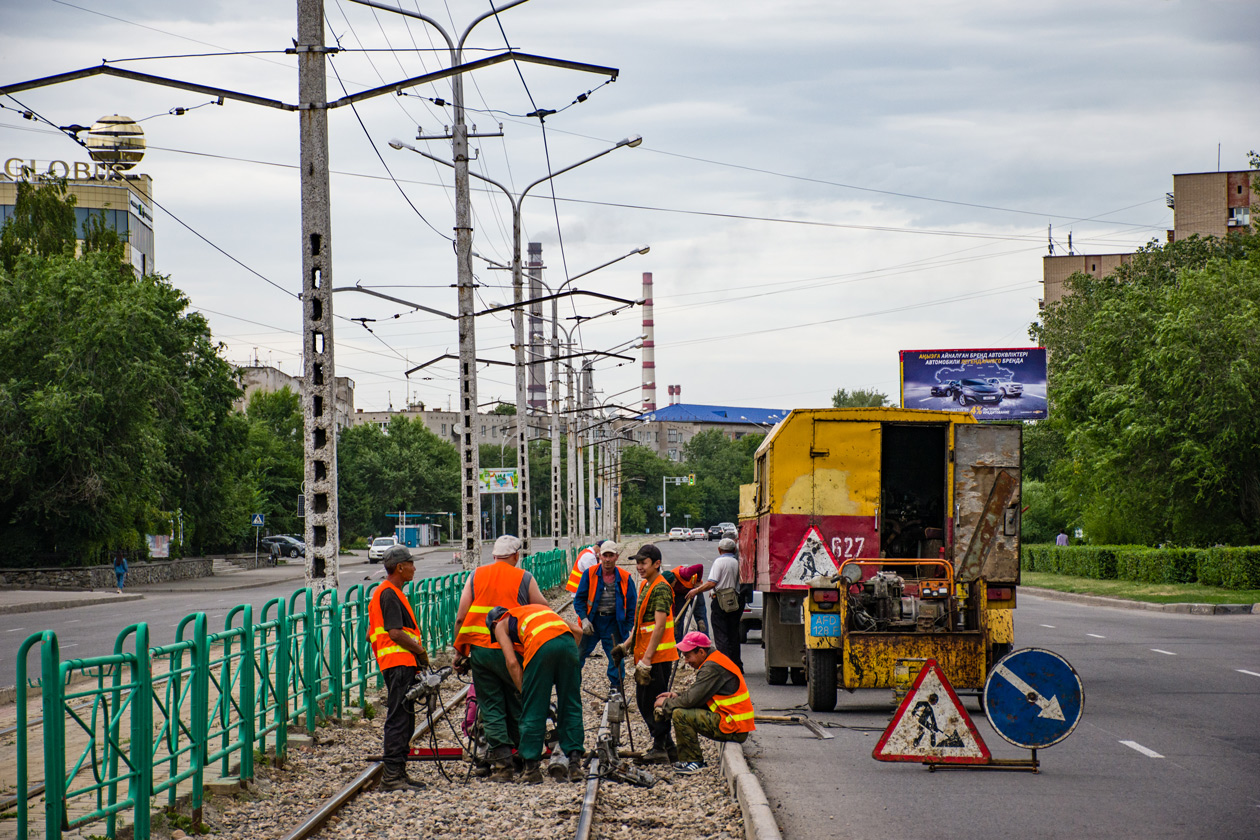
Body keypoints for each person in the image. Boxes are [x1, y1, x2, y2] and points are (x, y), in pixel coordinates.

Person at [451, 534, 549, 782]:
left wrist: (460, 652)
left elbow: (461, 617)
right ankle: (527, 763)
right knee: (520, 704)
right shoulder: (523, 577)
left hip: (481, 652)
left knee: (491, 707)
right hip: (513, 651)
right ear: (516, 556)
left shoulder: (475, 576)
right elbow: (543, 609)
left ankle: (503, 767)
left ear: (494, 556)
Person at [487, 604, 586, 784]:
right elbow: (578, 631)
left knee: (534, 709)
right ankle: (574, 765)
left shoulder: (500, 624)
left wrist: (525, 691)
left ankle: (532, 769)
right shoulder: (537, 611)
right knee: (571, 704)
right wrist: (562, 664)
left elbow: (511, 662)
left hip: (540, 645)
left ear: (494, 622)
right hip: (568, 644)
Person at [368, 545, 431, 791]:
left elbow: (370, 633)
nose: (414, 568)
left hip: (398, 664)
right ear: (400, 567)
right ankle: (392, 776)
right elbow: (394, 633)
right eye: (411, 564)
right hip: (398, 664)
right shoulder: (389, 594)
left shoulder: (386, 593)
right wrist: (419, 651)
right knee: (399, 719)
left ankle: (399, 773)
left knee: (405, 718)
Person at [653, 631, 755, 775]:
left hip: (733, 726)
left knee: (680, 714)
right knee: (679, 709)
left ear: (701, 652)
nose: (686, 661)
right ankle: (690, 759)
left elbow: (690, 701)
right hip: (733, 723)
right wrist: (676, 696)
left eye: (688, 656)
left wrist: (665, 704)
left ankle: (694, 761)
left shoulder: (711, 667)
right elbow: (698, 695)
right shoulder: (714, 660)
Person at [620, 543, 678, 764]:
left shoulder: (661, 588)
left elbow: (659, 626)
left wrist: (647, 660)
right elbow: (641, 623)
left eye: (643, 563)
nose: (639, 567)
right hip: (647, 656)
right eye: (638, 563)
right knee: (647, 702)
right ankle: (668, 747)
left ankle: (659, 748)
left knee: (653, 703)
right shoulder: (647, 584)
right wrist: (625, 646)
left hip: (656, 658)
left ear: (657, 563)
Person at [573, 541, 636, 689]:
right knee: (578, 653)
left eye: (611, 556)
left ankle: (616, 687)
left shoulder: (625, 577)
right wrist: (584, 619)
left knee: (616, 655)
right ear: (599, 556)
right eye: (605, 555)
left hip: (613, 622)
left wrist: (629, 627)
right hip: (593, 621)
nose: (607, 559)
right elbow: (579, 599)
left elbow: (632, 605)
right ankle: (573, 685)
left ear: (616, 557)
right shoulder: (590, 574)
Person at [684, 538, 743, 671]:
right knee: (733, 633)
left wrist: (696, 590)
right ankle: (736, 664)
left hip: (720, 601)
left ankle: (724, 666)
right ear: (734, 550)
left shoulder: (719, 562)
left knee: (720, 633)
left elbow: (712, 583)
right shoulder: (736, 562)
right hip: (735, 600)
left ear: (719, 550)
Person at [662, 563, 708, 640]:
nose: (671, 587)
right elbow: (672, 602)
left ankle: (704, 641)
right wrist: (673, 616)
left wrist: (698, 581)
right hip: (680, 594)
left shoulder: (684, 573)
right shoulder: (669, 586)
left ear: (675, 580)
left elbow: (700, 566)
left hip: (694, 589)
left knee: (701, 618)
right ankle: (678, 644)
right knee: (678, 620)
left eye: (672, 585)